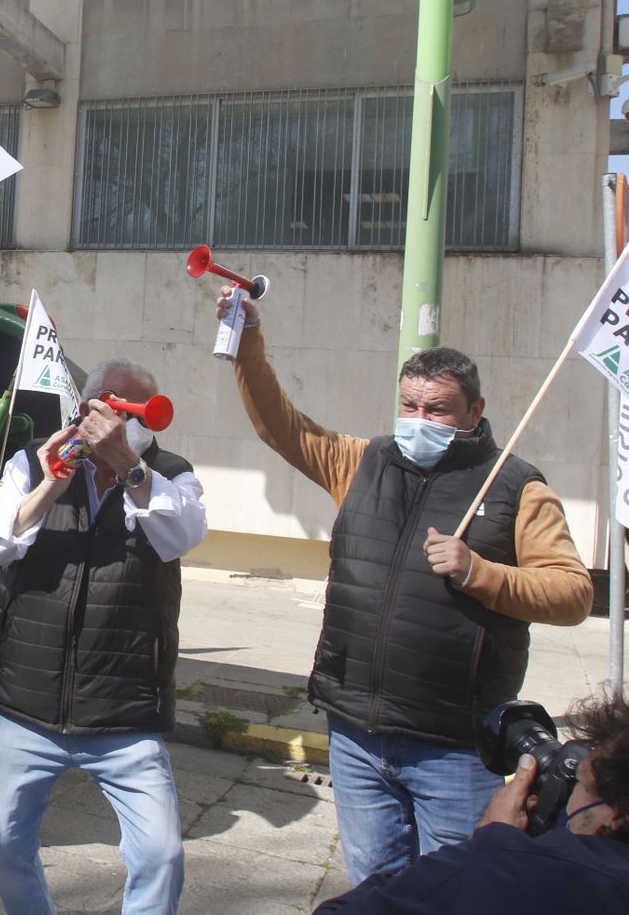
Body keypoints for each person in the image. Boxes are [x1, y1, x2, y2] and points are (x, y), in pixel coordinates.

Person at [217, 287, 593, 884]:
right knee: (376, 886)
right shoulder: (363, 461)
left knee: (457, 889)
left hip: (453, 746)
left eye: (437, 409)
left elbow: (573, 594)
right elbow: (281, 427)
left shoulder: (518, 488)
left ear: (475, 411)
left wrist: (479, 572)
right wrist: (247, 341)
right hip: (357, 734)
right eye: (409, 405)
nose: (419, 420)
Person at [0, 359, 209, 915]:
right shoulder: (33, 463)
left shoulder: (168, 471)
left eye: (134, 411)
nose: (116, 419)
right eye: (110, 403)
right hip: (24, 701)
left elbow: (183, 533)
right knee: (5, 845)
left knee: (161, 855)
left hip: (121, 710)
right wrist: (50, 486)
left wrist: (127, 462)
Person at [313, 690, 629, 912]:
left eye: (582, 782)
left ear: (616, 816)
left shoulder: (506, 868)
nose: (571, 793)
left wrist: (488, 842)